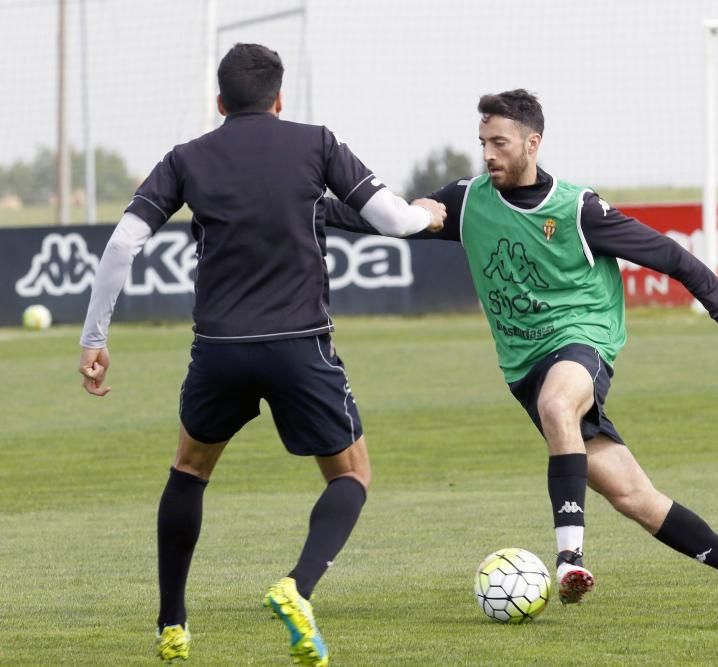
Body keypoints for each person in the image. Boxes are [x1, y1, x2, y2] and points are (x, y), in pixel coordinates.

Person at [324, 88, 718, 616]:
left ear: (533, 142)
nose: (488, 154)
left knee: (557, 404)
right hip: (523, 366)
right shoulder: (468, 197)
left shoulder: (577, 209)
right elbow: (399, 218)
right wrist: (311, 206)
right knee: (633, 495)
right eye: (482, 143)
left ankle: (569, 557)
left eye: (499, 142)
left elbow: (672, 256)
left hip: (581, 338)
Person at [77, 43, 445, 665]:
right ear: (279, 99)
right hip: (299, 345)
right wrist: (427, 213)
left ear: (219, 103)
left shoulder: (187, 158)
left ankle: (172, 624)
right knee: (352, 474)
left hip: (219, 350)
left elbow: (121, 244)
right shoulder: (315, 142)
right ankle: (296, 588)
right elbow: (393, 222)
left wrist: (94, 340)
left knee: (189, 470)